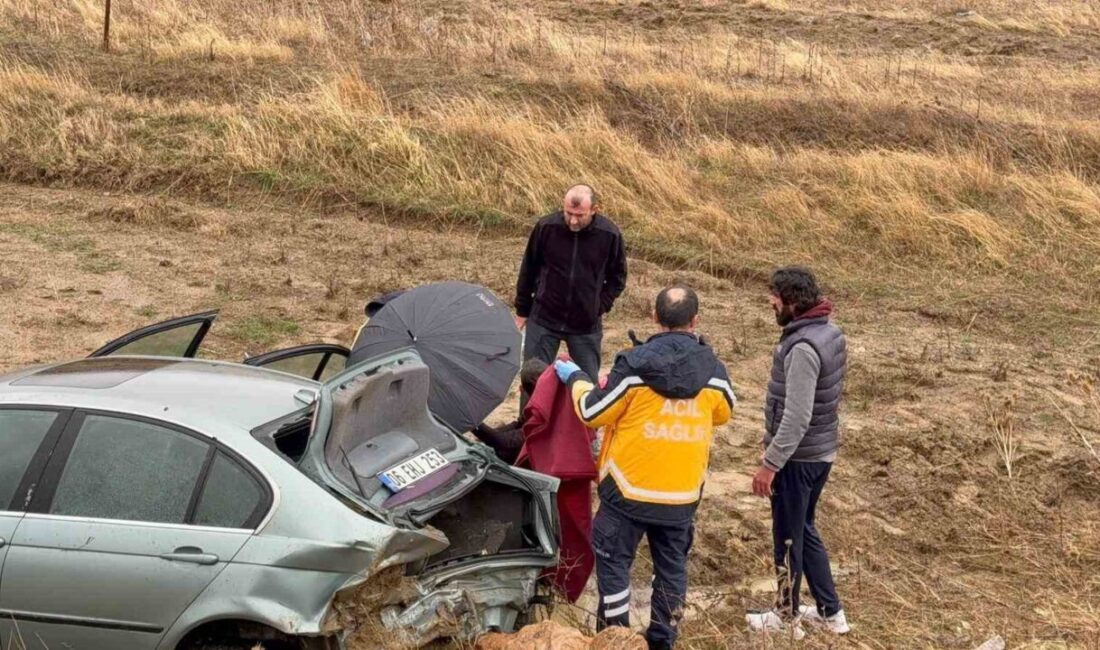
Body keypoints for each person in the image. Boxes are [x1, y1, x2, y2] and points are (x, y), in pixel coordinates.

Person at [553, 286, 735, 650]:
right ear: (695, 321)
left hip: (626, 491)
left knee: (614, 567)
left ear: (654, 317)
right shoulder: (714, 371)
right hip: (681, 495)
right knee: (671, 571)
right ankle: (663, 641)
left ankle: (616, 639)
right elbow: (723, 413)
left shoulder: (633, 366)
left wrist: (575, 378)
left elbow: (591, 411)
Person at [746, 266, 850, 638]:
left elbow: (797, 415)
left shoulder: (803, 348)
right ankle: (831, 612)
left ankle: (785, 616)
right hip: (820, 453)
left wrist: (771, 463)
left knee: (787, 537)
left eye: (775, 297)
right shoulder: (829, 332)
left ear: (791, 301)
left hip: (798, 459)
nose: (770, 303)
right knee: (804, 528)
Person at [515, 184, 627, 382]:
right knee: (532, 381)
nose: (573, 220)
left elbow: (618, 277)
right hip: (544, 318)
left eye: (580, 215)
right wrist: (522, 309)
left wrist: (598, 306)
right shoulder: (546, 227)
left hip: (585, 324)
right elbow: (529, 268)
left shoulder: (609, 234)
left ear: (594, 210)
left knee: (587, 385)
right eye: (569, 213)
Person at [470, 358, 548, 464]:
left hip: (543, 463)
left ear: (522, 389)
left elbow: (507, 442)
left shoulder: (546, 415)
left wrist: (473, 423)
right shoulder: (546, 399)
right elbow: (519, 424)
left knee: (501, 454)